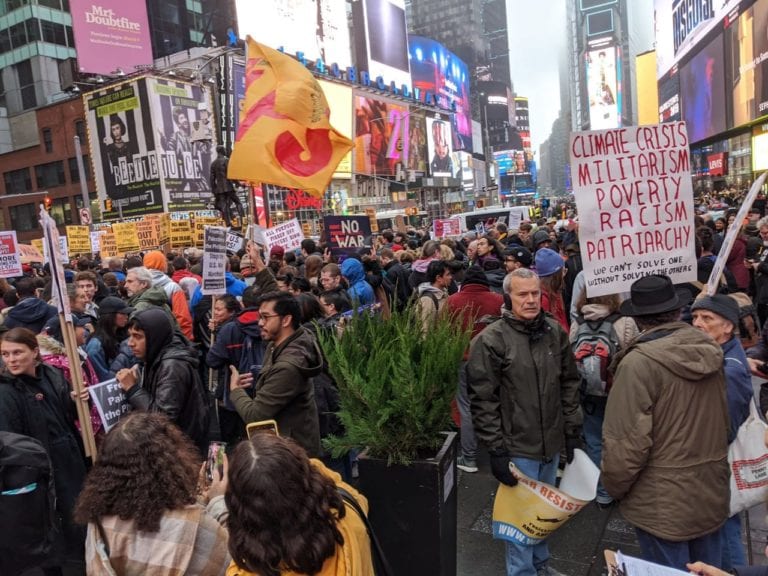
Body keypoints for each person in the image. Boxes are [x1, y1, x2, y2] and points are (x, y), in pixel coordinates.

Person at [602, 274, 730, 568]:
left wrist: (614, 488)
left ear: (639, 319)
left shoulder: (638, 363)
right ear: (676, 311)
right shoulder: (709, 349)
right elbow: (725, 421)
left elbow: (626, 443)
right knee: (708, 570)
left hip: (662, 500)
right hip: (709, 489)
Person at [467, 268, 582, 576]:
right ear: (509, 297)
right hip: (517, 447)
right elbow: (483, 399)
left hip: (550, 442)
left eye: (535, 293)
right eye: (523, 294)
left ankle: (540, 567)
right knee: (520, 521)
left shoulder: (553, 331)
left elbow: (569, 382)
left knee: (544, 514)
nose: (531, 300)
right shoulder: (491, 340)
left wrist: (571, 431)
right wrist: (496, 450)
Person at [74, 412, 230, 574]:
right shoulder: (192, 522)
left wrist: (200, 501)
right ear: (168, 461)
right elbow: (234, 559)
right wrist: (217, 501)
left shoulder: (98, 520)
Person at [0, 327, 88, 574]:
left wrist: (74, 400)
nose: (11, 359)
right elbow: (10, 444)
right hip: (39, 472)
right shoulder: (6, 391)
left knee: (77, 520)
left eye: (18, 352)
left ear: (35, 352)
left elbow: (64, 416)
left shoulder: (52, 375)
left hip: (69, 461)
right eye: (5, 354)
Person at [225, 433, 374, 576]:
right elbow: (348, 492)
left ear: (242, 512)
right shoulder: (348, 518)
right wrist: (295, 462)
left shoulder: (241, 571)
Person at [691, 294, 754, 570]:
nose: (697, 323)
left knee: (724, 533)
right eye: (695, 317)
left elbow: (724, 430)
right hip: (714, 467)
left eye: (707, 318)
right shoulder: (722, 352)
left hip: (718, 466)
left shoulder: (731, 371)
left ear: (728, 326)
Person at [229, 291, 323, 456]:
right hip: (288, 446)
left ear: (286, 320)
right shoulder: (284, 340)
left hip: (292, 454)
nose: (259, 323)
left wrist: (235, 390)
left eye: (265, 317)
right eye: (260, 317)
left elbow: (255, 416)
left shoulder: (287, 366)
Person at [570, 292, 638, 507]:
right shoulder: (625, 322)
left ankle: (600, 491)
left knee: (593, 440)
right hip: (618, 391)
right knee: (619, 440)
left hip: (588, 393)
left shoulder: (577, 322)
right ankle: (619, 486)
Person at [115, 308, 209, 455]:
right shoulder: (156, 355)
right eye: (130, 336)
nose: (130, 343)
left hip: (181, 449)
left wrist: (132, 389)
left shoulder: (172, 365)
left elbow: (162, 418)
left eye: (137, 336)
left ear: (154, 337)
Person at [446, 266, 504, 473]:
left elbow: (443, 332)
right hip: (493, 361)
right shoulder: (498, 300)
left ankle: (469, 457)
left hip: (463, 359)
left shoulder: (452, 301)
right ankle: (500, 451)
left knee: (466, 406)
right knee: (496, 402)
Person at [210, 145, 244, 227]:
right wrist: (238, 183)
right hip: (228, 186)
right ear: (222, 151)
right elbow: (231, 174)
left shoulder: (213, 164)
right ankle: (243, 220)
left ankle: (228, 223)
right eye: (224, 149)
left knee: (224, 205)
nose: (226, 151)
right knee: (238, 202)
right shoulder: (226, 161)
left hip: (220, 189)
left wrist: (214, 189)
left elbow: (212, 179)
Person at [416, 260, 453, 332]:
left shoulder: (444, 293)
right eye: (448, 274)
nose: (451, 277)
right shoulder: (427, 299)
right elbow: (425, 329)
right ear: (438, 278)